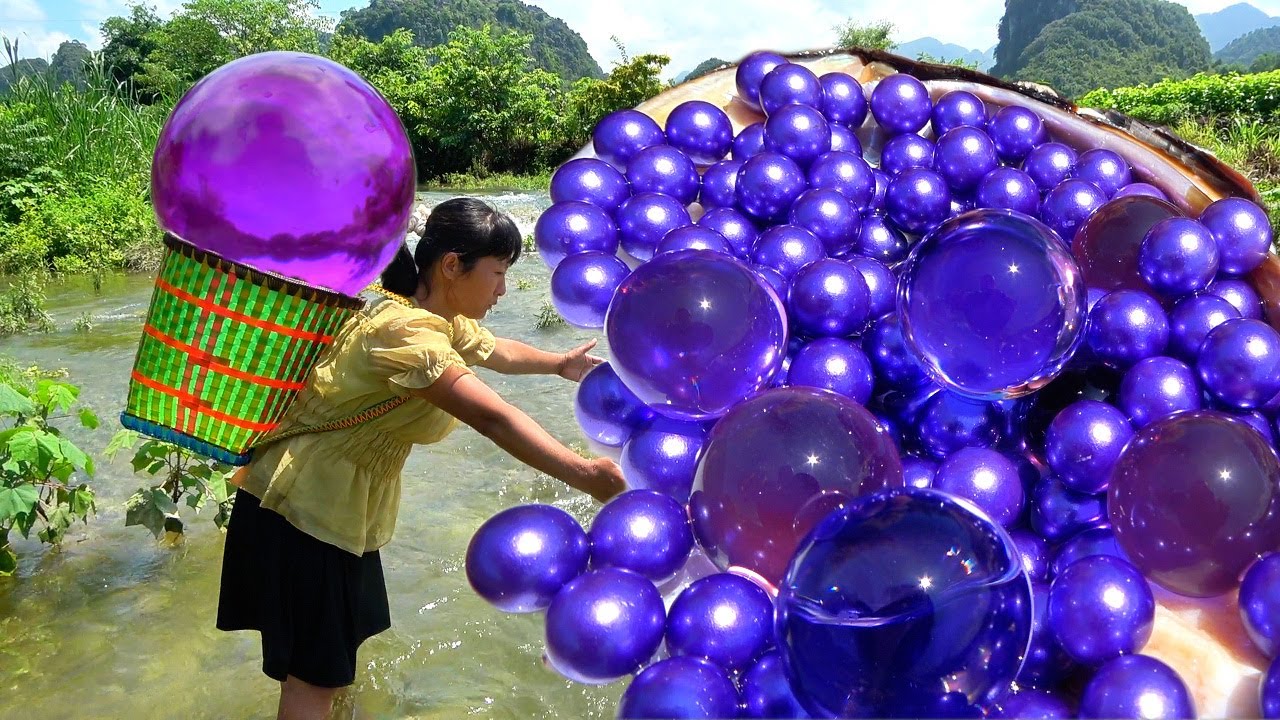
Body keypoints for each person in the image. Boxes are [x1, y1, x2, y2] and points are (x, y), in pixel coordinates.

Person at [216, 197, 627, 720]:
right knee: (313, 681)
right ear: (452, 266)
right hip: (304, 510)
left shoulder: (432, 314)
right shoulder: (406, 332)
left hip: (340, 513)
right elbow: (493, 417)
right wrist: (586, 474)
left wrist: (557, 364)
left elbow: (496, 350)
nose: (502, 290)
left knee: (333, 667)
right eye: (497, 274)